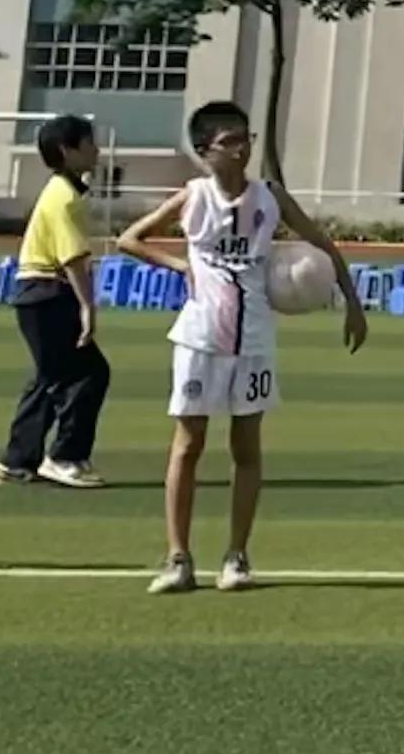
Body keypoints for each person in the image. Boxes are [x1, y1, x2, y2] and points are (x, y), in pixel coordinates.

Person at [114, 100, 367, 594]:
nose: (241, 149)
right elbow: (129, 239)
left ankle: (236, 557)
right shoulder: (193, 196)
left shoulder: (270, 196)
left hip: (254, 340)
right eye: (230, 141)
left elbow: (323, 243)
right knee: (188, 445)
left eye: (245, 138)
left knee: (246, 447)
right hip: (200, 336)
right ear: (205, 151)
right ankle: (178, 557)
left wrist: (352, 304)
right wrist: (180, 266)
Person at [0, 114, 112, 490]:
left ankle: (16, 462)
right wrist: (87, 307)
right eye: (89, 143)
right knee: (88, 374)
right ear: (67, 150)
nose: (96, 150)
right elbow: (72, 257)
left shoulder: (64, 191)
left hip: (36, 293)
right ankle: (65, 458)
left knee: (50, 377)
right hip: (48, 292)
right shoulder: (64, 197)